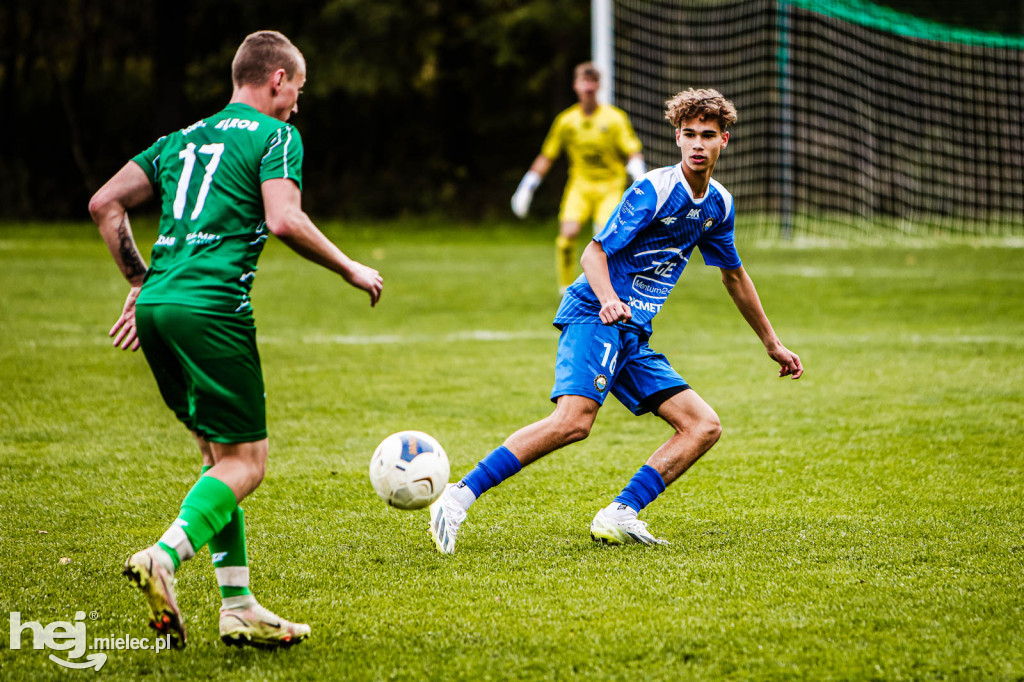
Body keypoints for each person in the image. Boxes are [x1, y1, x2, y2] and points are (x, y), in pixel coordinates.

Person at [88, 30, 383, 649]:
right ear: (278, 79)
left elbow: (105, 203)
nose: (297, 104)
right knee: (247, 463)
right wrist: (351, 267)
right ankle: (164, 556)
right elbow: (283, 218)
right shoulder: (276, 137)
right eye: (297, 89)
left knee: (218, 462)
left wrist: (144, 281)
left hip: (160, 307)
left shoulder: (181, 138)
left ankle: (239, 606)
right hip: (213, 309)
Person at [432, 88, 802, 553]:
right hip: (595, 311)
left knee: (702, 425)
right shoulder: (655, 189)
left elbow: (734, 275)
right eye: (689, 135)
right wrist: (608, 300)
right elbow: (594, 252)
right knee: (574, 421)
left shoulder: (719, 205)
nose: (697, 145)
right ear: (677, 137)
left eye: (707, 136)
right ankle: (455, 498)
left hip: (631, 331)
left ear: (724, 140)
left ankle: (620, 513)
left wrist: (772, 341)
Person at [510, 62, 646, 295]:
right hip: (580, 186)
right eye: (584, 81)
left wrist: (640, 177)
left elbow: (632, 151)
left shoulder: (614, 119)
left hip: (610, 186)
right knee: (567, 236)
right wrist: (527, 186)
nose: (588, 87)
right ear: (576, 85)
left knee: (608, 239)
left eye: (593, 81)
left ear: (599, 85)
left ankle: (608, 287)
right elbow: (548, 155)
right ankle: (565, 288)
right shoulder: (567, 121)